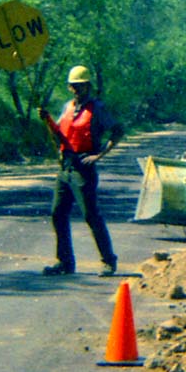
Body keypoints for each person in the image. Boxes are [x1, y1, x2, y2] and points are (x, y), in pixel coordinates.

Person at [39, 64, 124, 276]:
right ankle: (65, 262)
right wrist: (47, 119)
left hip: (83, 169)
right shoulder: (67, 107)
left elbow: (117, 130)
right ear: (69, 87)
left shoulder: (97, 108)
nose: (77, 89)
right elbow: (59, 134)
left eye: (81, 85)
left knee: (90, 215)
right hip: (65, 168)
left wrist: (99, 155)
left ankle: (108, 261)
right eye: (73, 86)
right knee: (58, 213)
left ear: (88, 86)